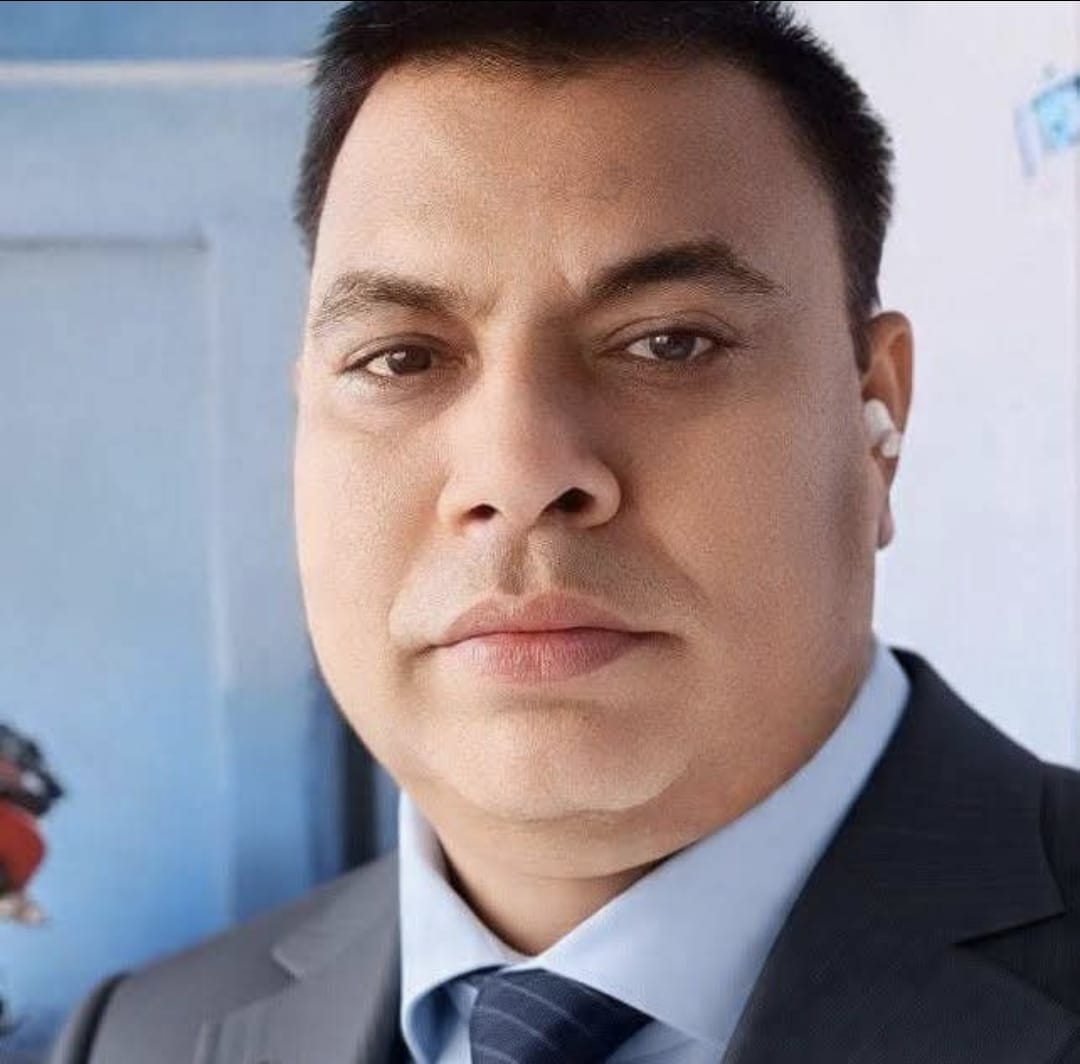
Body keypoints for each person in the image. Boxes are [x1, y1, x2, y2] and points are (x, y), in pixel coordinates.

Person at [47, 3, 1080, 1062]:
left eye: (669, 343)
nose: (518, 473)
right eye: (401, 358)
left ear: (877, 417)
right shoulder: (140, 1037)